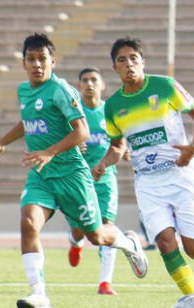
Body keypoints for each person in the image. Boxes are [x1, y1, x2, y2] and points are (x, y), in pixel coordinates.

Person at [0, 33, 148, 308]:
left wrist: (49, 152)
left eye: (42, 59)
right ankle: (39, 294)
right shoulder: (24, 90)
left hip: (72, 174)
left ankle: (128, 242)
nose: (37, 64)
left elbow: (81, 131)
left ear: (52, 61)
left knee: (95, 236)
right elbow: (28, 122)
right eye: (31, 59)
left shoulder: (61, 91)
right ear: (23, 63)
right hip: (41, 175)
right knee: (29, 223)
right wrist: (0, 144)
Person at [94, 37, 194, 296]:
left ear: (143, 62)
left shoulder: (165, 86)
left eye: (134, 58)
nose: (129, 64)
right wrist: (102, 163)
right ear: (115, 68)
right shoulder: (112, 106)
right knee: (165, 243)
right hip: (147, 182)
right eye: (122, 60)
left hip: (180, 174)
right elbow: (116, 146)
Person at [66, 67, 121, 295]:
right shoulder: (73, 113)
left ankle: (105, 282)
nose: (89, 84)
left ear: (102, 85)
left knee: (106, 224)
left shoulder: (109, 112)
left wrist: (110, 160)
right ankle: (75, 241)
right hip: (79, 179)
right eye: (85, 80)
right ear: (79, 86)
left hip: (106, 178)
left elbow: (120, 142)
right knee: (81, 230)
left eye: (94, 80)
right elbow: (62, 142)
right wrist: (74, 144)